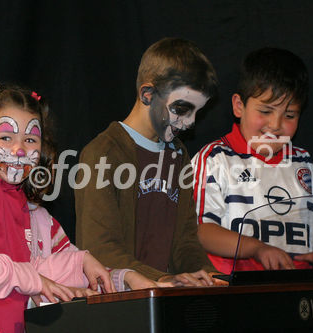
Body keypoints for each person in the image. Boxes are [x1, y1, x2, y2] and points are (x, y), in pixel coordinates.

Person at [0, 83, 165, 333]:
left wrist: (121, 278)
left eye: (30, 139)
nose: (19, 150)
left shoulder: (31, 213)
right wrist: (35, 280)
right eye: (5, 137)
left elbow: (52, 271)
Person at [75, 37, 220, 286]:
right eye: (182, 109)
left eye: (198, 112)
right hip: (122, 306)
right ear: (147, 94)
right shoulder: (103, 153)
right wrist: (162, 279)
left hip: (166, 298)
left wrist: (209, 276)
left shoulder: (179, 155)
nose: (191, 122)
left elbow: (185, 239)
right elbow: (99, 248)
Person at [192, 48, 313, 274]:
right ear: (238, 106)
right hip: (233, 291)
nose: (275, 124)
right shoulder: (215, 159)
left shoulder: (303, 163)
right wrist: (257, 249)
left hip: (297, 292)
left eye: (289, 115)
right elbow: (200, 231)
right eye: (265, 111)